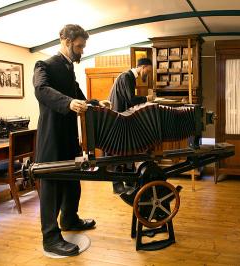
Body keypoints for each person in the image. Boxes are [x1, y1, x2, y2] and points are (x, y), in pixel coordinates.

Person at [33, 24, 110, 256]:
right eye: (79, 46)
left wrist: (96, 103)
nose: (81, 51)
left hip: (68, 137)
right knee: (52, 186)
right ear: (66, 41)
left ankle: (69, 219)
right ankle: (50, 237)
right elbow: (41, 89)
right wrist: (67, 103)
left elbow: (78, 96)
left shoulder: (68, 69)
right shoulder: (44, 65)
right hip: (51, 138)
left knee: (72, 180)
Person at [108, 58, 154, 194]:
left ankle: (128, 180)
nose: (148, 73)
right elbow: (130, 99)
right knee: (117, 150)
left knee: (128, 148)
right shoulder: (126, 77)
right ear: (143, 67)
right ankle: (117, 184)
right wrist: (147, 99)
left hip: (122, 117)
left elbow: (128, 100)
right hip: (118, 118)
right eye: (148, 70)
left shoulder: (129, 77)